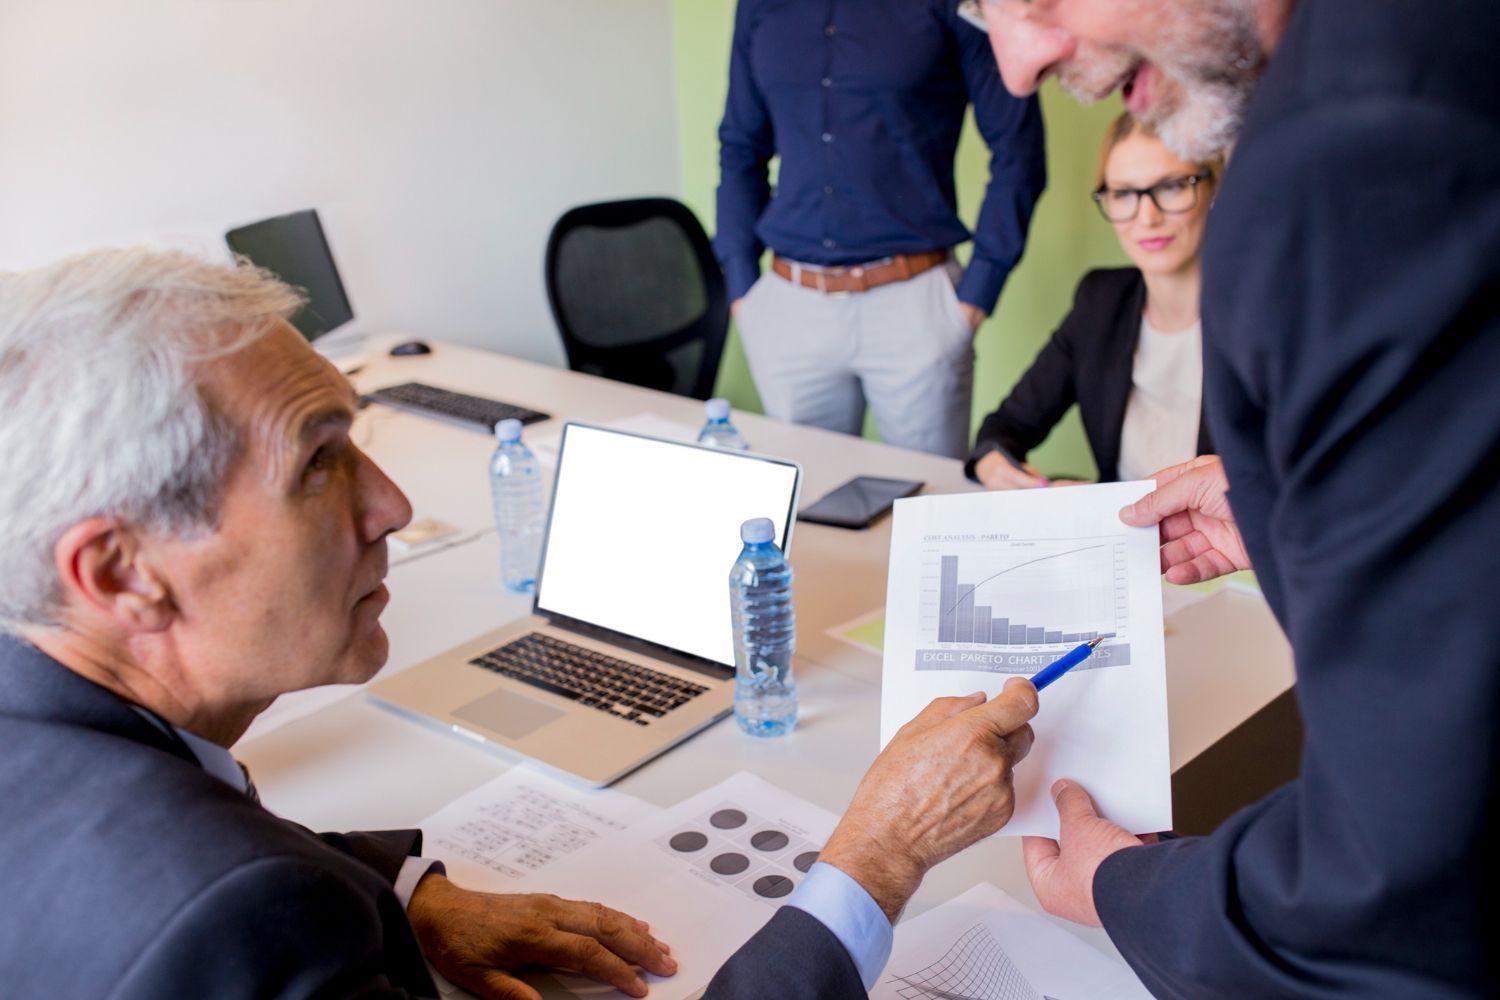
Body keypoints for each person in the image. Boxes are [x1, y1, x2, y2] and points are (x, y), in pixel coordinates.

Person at [0, 248, 1040, 999]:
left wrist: (406, 892)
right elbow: (226, 895)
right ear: (119, 571)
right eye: (318, 461)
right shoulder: (240, 921)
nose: (392, 505)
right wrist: (877, 859)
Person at [972, 0, 1500, 995]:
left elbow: (1393, 882)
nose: (1015, 63)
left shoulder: (1342, 158)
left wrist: (1124, 884)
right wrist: (1286, 508)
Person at [715, 0, 1046, 459]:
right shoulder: (759, 6)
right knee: (807, 507)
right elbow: (739, 146)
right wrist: (742, 288)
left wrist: (975, 296)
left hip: (915, 305)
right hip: (788, 307)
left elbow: (1018, 149)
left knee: (932, 513)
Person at [967, 112, 1216, 489]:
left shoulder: (1272, 318)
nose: (1146, 217)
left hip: (1226, 545)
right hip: (1124, 537)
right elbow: (1003, 429)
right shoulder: (1101, 301)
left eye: (1171, 187)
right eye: (1124, 194)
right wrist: (996, 466)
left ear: (1214, 190)